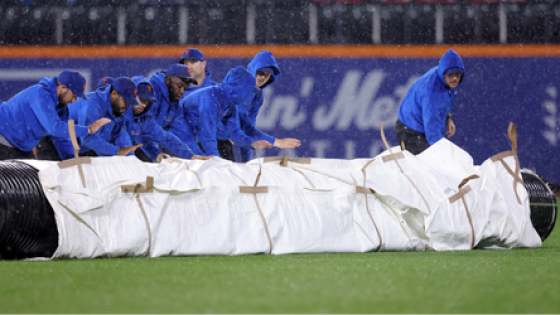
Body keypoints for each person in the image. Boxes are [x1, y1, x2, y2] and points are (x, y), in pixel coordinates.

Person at [181, 66, 300, 158]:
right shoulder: (211, 98)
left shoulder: (229, 104)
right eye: (249, 89)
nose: (250, 94)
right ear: (240, 88)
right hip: (176, 137)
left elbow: (234, 132)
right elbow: (207, 134)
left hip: (188, 139)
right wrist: (216, 161)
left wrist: (251, 144)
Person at [0, 70, 109, 160]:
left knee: (33, 183)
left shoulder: (62, 109)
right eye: (74, 96)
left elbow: (61, 139)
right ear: (62, 88)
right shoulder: (40, 95)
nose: (74, 101)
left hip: (20, 148)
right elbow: (55, 128)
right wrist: (88, 129)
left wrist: (71, 162)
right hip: (3, 139)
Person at [395, 49, 465, 155]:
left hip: (414, 127)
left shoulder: (441, 76)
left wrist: (448, 118)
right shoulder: (433, 93)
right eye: (451, 74)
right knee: (430, 167)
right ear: (444, 73)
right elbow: (432, 133)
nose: (455, 78)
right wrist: (444, 155)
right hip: (411, 131)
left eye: (458, 74)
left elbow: (442, 104)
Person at [128, 76, 212, 162]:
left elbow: (166, 138)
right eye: (141, 99)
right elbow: (122, 141)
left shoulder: (144, 119)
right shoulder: (118, 114)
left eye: (147, 101)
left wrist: (191, 156)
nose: (144, 105)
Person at [234, 50, 294, 162]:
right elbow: (237, 128)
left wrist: (246, 162)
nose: (262, 77)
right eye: (260, 72)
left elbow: (247, 129)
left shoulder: (257, 95)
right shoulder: (239, 87)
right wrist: (276, 142)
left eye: (267, 76)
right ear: (253, 69)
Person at [37, 76, 116, 161]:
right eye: (101, 91)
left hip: (75, 144)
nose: (104, 95)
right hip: (54, 140)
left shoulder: (117, 115)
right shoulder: (90, 106)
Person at [79, 77, 142, 157]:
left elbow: (120, 135)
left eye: (130, 102)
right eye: (126, 101)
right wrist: (117, 151)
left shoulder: (116, 109)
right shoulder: (92, 105)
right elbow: (87, 137)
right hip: (60, 146)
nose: (128, 106)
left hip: (77, 150)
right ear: (114, 94)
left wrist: (131, 159)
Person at [149, 64, 197, 143]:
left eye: (185, 88)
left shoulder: (175, 105)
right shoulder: (151, 93)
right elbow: (144, 131)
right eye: (179, 86)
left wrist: (197, 155)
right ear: (168, 80)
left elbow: (184, 137)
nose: (182, 91)